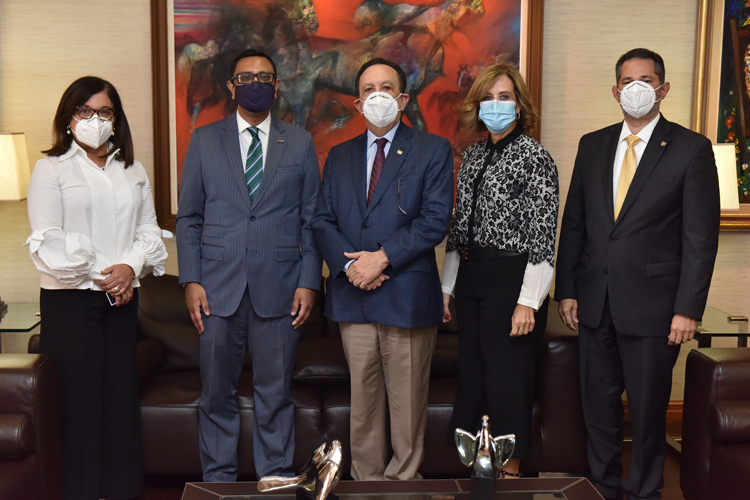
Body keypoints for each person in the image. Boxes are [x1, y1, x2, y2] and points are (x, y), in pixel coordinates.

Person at [555, 48, 720, 500]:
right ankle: (602, 488)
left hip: (655, 309)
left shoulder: (691, 148)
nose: (636, 89)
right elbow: (575, 224)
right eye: (628, 82)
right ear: (615, 91)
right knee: (598, 410)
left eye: (645, 81)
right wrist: (566, 290)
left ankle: (645, 492)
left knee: (646, 415)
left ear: (663, 89)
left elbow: (700, 238)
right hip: (594, 302)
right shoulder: (592, 144)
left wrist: (688, 309)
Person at [176, 48, 322, 482]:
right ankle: (219, 482)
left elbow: (311, 219)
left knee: (275, 395)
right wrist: (191, 279)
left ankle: (274, 479)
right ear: (230, 86)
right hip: (215, 291)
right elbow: (189, 218)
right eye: (245, 78)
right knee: (216, 394)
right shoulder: (204, 140)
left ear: (276, 86)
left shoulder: (300, 142)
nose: (254, 84)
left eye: (264, 77)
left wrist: (309, 281)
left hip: (281, 288)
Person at [25, 76, 168, 500]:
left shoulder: (132, 169)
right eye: (84, 111)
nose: (95, 119)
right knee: (78, 403)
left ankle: (121, 491)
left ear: (116, 118)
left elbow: (148, 230)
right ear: (68, 118)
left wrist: (131, 267)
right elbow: (49, 240)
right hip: (70, 302)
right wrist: (109, 276)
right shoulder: (51, 168)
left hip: (122, 300)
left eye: (104, 111)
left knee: (119, 399)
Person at [311, 58, 454, 480]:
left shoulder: (432, 149)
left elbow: (435, 219)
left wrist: (381, 258)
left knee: (407, 407)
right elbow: (322, 220)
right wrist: (351, 267)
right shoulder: (338, 156)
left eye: (386, 88)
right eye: (369, 90)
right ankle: (366, 486)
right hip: (352, 294)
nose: (378, 96)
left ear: (402, 99)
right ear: (358, 104)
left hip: (407, 295)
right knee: (363, 406)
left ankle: (403, 486)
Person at [440, 63, 559, 478]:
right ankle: (476, 466)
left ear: (519, 105)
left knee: (508, 378)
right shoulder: (473, 156)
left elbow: (543, 235)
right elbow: (459, 227)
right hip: (472, 277)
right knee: (474, 375)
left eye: (504, 97)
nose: (496, 105)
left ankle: (510, 471)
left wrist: (529, 301)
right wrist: (447, 287)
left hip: (512, 280)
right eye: (488, 98)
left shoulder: (535, 157)